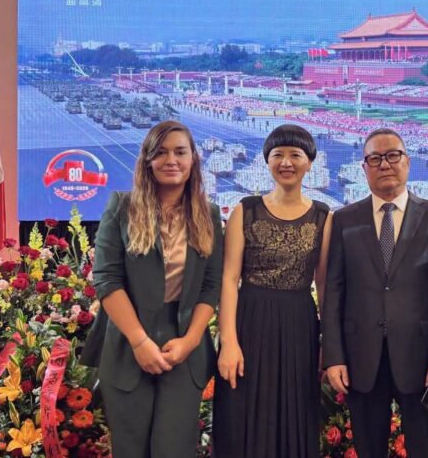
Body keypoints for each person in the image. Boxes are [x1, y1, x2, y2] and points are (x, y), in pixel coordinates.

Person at [80, 121, 223, 458]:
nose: (170, 160)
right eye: (160, 152)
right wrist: (140, 341)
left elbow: (211, 286)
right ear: (147, 160)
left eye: (179, 152)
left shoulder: (209, 214)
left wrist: (190, 341)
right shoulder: (121, 206)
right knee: (131, 450)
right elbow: (107, 279)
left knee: (173, 449)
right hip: (128, 345)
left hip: (184, 349)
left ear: (193, 160)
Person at [322, 128, 428, 458]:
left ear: (407, 162)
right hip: (361, 357)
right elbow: (334, 291)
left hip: (421, 357)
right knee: (369, 448)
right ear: (364, 167)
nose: (385, 164)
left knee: (423, 448)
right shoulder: (343, 220)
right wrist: (334, 356)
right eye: (375, 158)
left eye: (393, 155)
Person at [212, 124, 332, 457]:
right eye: (278, 154)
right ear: (267, 162)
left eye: (296, 154)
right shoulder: (245, 209)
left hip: (299, 324)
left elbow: (322, 285)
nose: (286, 162)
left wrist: (329, 344)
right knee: (242, 412)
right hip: (249, 322)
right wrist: (229, 343)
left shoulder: (324, 216)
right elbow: (228, 279)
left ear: (310, 163)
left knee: (294, 411)